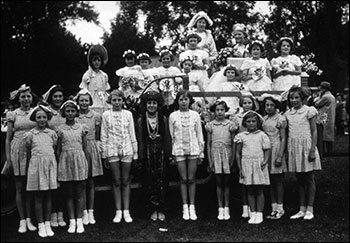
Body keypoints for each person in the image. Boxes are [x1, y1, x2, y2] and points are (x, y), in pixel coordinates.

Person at [284, 86, 322, 220]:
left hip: (306, 147)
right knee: (299, 179)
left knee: (309, 178)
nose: (294, 100)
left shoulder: (309, 111)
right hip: (294, 148)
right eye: (291, 98)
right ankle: (301, 208)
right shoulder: (288, 114)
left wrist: (312, 149)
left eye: (296, 98)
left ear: (303, 99)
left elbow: (314, 131)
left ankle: (310, 208)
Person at [100, 90, 138, 224]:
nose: (117, 103)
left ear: (123, 101)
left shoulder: (128, 114)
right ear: (111, 101)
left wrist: (135, 153)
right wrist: (104, 154)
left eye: (119, 100)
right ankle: (118, 210)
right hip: (112, 149)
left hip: (127, 149)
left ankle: (126, 210)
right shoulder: (105, 115)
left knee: (126, 180)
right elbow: (104, 135)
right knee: (116, 180)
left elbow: (132, 134)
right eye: (114, 100)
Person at [5, 84, 37, 233]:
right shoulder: (13, 114)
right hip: (17, 150)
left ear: (32, 98)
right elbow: (8, 138)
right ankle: (22, 220)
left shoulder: (36, 112)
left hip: (33, 150)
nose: (26, 99)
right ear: (19, 98)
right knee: (19, 187)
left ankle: (30, 219)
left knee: (29, 187)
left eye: (28, 96)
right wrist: (8, 159)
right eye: (23, 96)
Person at [169, 90, 204, 221]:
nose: (183, 102)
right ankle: (185, 207)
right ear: (177, 101)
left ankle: (192, 206)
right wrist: (172, 153)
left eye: (186, 99)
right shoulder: (173, 116)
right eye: (181, 99)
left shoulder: (195, 115)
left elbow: (199, 134)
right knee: (183, 178)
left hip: (193, 149)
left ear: (190, 101)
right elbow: (172, 135)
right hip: (179, 150)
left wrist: (201, 152)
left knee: (191, 178)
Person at [136, 91, 171, 221]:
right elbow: (140, 139)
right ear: (145, 105)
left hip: (161, 152)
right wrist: (141, 157)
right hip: (148, 153)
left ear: (158, 104)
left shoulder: (163, 119)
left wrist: (168, 155)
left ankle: (161, 208)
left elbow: (167, 138)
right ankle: (152, 209)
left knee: (161, 179)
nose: (151, 105)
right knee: (149, 180)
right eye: (149, 103)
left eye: (154, 103)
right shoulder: (141, 120)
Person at [56, 100, 89, 233]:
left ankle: (80, 221)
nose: (70, 114)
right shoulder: (60, 129)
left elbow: (85, 148)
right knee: (69, 193)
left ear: (76, 112)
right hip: (65, 160)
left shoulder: (82, 128)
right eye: (67, 111)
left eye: (72, 111)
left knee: (79, 192)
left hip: (79, 160)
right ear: (64, 113)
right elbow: (58, 149)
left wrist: (85, 163)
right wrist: (60, 164)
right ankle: (72, 221)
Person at [26, 105, 57, 237]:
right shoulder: (30, 135)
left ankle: (48, 223)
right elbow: (28, 153)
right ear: (34, 119)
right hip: (36, 166)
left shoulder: (52, 134)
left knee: (48, 195)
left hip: (49, 166)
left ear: (47, 118)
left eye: (44, 117)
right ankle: (40, 225)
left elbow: (54, 149)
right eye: (39, 117)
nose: (42, 119)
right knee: (38, 197)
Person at [234, 111, 271, 224]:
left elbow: (267, 149)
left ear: (257, 122)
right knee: (249, 190)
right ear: (245, 123)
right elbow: (238, 153)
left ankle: (259, 214)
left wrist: (265, 161)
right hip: (247, 165)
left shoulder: (262, 135)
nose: (251, 124)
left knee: (259, 190)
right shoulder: (241, 136)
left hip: (258, 164)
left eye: (253, 121)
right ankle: (253, 212)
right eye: (248, 121)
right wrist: (240, 168)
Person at [75, 89, 104, 225]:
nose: (84, 103)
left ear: (90, 102)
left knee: (90, 181)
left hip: (91, 147)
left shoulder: (96, 116)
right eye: (81, 100)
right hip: (78, 148)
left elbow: (97, 134)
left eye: (86, 100)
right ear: (78, 102)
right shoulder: (74, 116)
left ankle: (91, 211)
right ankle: (83, 211)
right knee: (81, 182)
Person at [205, 100, 237, 220]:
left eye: (222, 110)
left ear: (225, 111)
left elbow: (234, 143)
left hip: (227, 154)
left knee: (226, 182)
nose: (219, 112)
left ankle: (227, 207)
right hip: (215, 154)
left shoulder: (230, 125)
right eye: (217, 110)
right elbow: (208, 144)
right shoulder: (211, 125)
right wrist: (210, 160)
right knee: (218, 182)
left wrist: (233, 158)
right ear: (214, 111)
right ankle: (220, 208)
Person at [230, 91, 259, 219]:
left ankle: (255, 206)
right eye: (245, 103)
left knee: (254, 178)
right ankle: (245, 206)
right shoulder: (238, 117)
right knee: (243, 178)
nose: (247, 105)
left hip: (254, 148)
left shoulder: (256, 116)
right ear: (241, 104)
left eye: (249, 103)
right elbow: (234, 131)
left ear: (253, 104)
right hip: (242, 148)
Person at [42, 84, 67, 227]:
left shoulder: (66, 110)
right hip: (50, 150)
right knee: (52, 183)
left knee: (63, 183)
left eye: (60, 96)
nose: (58, 99)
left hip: (64, 150)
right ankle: (52, 214)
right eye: (55, 96)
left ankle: (61, 214)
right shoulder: (47, 111)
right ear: (51, 97)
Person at [261, 94, 287, 219]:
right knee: (270, 180)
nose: (269, 107)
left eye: (272, 105)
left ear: (275, 106)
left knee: (278, 180)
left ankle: (280, 207)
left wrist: (280, 156)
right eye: (267, 105)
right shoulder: (264, 119)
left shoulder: (280, 119)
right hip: (267, 149)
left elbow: (283, 138)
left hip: (276, 148)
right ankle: (273, 206)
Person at [79, 44, 111, 115]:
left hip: (103, 100)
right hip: (92, 100)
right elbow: (83, 90)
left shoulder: (104, 75)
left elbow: (106, 89)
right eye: (94, 60)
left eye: (99, 60)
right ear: (91, 61)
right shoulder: (88, 74)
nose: (96, 62)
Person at [154, 49, 182, 117]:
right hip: (162, 91)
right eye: (164, 59)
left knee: (172, 108)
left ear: (171, 59)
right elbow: (156, 81)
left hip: (172, 91)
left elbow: (179, 80)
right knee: (162, 109)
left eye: (167, 59)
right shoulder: (158, 70)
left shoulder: (175, 70)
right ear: (161, 60)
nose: (166, 60)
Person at [314, 81, 336, 156]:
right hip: (330, 117)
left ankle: (323, 152)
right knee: (329, 136)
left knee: (322, 136)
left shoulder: (325, 97)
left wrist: (318, 96)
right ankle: (330, 152)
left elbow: (317, 104)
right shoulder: (332, 96)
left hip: (324, 118)